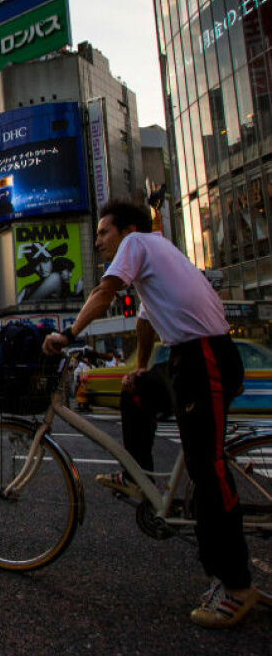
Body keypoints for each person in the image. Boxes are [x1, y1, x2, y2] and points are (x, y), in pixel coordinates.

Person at [44, 200, 254, 629]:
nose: (99, 240)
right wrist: (139, 368)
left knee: (206, 469)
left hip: (206, 358)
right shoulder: (155, 253)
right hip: (184, 359)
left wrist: (68, 333)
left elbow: (104, 293)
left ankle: (237, 586)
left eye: (104, 232)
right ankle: (135, 472)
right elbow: (145, 322)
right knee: (135, 389)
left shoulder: (138, 243)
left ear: (126, 231)